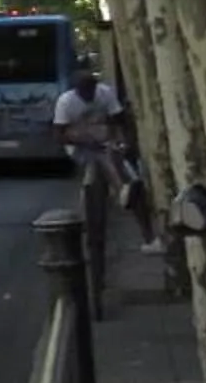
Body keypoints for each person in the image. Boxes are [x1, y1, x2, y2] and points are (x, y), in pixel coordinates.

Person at [54, 63, 158, 251]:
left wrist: (126, 142)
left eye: (91, 91)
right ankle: (120, 189)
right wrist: (84, 142)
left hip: (106, 142)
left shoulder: (105, 93)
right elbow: (59, 135)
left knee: (116, 162)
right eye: (84, 92)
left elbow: (119, 119)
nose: (88, 96)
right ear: (76, 90)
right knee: (100, 166)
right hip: (81, 147)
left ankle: (127, 193)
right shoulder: (66, 102)